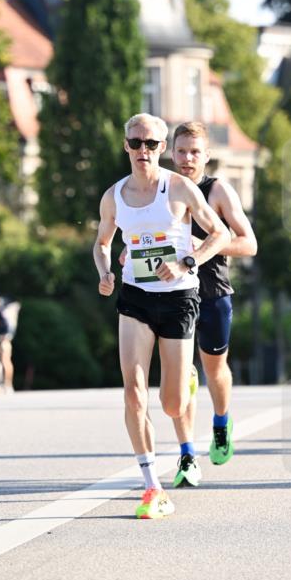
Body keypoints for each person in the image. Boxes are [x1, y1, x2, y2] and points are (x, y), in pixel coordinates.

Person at [94, 113, 229, 519]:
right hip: (135, 297)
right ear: (126, 146)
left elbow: (219, 233)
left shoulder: (181, 188)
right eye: (136, 143)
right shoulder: (113, 196)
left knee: (171, 404)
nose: (143, 151)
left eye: (151, 144)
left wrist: (188, 260)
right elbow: (102, 242)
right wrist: (105, 271)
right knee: (134, 392)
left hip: (179, 299)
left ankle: (184, 379)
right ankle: (152, 485)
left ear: (161, 147)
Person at [169, 121, 257, 480]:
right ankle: (187, 454)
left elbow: (249, 244)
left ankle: (221, 422)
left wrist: (204, 249)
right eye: (181, 151)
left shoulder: (218, 190)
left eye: (195, 152)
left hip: (213, 294)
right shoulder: (162, 189)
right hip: (172, 296)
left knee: (214, 370)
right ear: (170, 153)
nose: (187, 158)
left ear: (206, 156)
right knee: (181, 376)